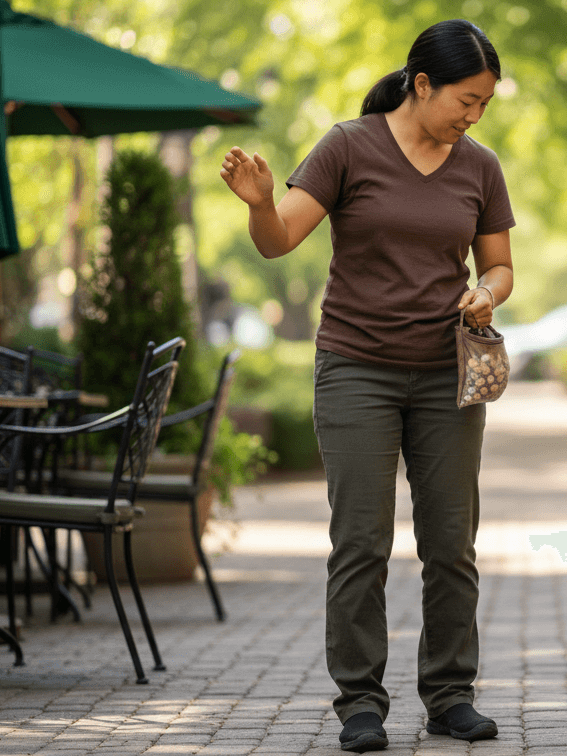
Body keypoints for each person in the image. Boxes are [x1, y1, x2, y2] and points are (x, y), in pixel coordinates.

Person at [219, 19, 512, 753]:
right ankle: (360, 703)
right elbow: (281, 237)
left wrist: (489, 294)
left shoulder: (479, 165)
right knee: (361, 541)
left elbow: (501, 265)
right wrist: (259, 202)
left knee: (451, 541)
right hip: (356, 369)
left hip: (447, 375)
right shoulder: (348, 146)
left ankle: (450, 696)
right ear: (422, 84)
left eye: (483, 105)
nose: (472, 117)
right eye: (465, 101)